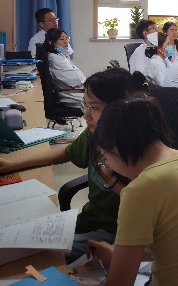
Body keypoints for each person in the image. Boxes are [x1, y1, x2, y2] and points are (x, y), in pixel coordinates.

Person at [0, 68, 147, 263]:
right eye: (85, 105)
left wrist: (111, 181)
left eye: (93, 108)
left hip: (114, 232)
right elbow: (68, 152)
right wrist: (14, 164)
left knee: (37, 256)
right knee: (20, 238)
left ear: (118, 109)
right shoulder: (96, 132)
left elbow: (145, 205)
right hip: (89, 219)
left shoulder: (135, 149)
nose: (86, 116)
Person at [86, 95, 178, 286]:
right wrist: (117, 254)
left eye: (104, 157)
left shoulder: (139, 191)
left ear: (117, 149)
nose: (107, 164)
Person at [43, 28, 85, 106]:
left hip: (76, 92)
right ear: (51, 42)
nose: (66, 42)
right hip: (72, 95)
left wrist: (82, 81)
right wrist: (82, 81)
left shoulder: (59, 54)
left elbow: (78, 74)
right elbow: (77, 79)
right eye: (62, 39)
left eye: (67, 38)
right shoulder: (54, 58)